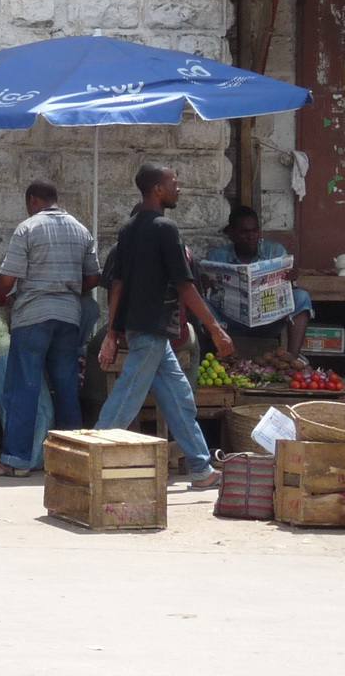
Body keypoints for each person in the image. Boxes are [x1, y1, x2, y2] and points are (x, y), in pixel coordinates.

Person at [96, 165, 234, 489]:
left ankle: (201, 469)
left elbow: (118, 285)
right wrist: (215, 329)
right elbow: (185, 287)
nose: (179, 187)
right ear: (157, 189)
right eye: (174, 182)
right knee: (128, 394)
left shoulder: (128, 229)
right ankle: (93, 452)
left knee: (178, 396)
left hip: (141, 326)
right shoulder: (165, 228)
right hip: (152, 327)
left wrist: (113, 332)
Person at [0, 179, 100, 478]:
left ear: (33, 200)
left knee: (24, 388)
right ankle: (74, 460)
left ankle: (16, 461)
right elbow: (93, 278)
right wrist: (68, 289)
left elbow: (7, 279)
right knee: (67, 389)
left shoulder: (28, 228)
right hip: (68, 317)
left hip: (33, 317)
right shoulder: (81, 230)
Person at [200, 204, 313, 355]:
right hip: (230, 323)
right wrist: (206, 284)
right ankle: (224, 354)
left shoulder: (275, 251)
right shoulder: (217, 257)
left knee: (302, 297)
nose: (251, 236)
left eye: (255, 230)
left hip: (269, 322)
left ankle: (292, 358)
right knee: (201, 302)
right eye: (244, 232)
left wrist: (291, 279)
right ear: (232, 234)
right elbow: (206, 292)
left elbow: (289, 289)